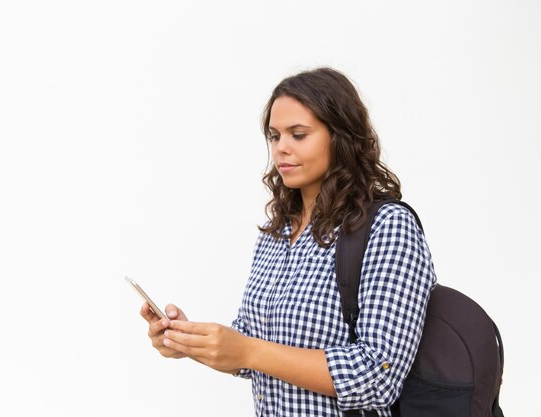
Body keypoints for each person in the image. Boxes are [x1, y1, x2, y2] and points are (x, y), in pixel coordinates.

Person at [139, 67, 437, 417]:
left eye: (298, 134)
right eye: (274, 136)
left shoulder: (388, 227)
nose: (281, 149)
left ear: (341, 138)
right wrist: (193, 341)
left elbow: (377, 375)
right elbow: (254, 345)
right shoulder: (276, 231)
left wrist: (247, 350)